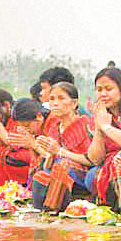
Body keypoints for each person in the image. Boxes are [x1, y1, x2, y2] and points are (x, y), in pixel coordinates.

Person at [85, 67, 121, 209]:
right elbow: (95, 159)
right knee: (92, 176)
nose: (103, 94)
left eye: (109, 89)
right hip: (110, 164)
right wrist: (99, 129)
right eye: (99, 90)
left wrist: (107, 127)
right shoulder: (100, 113)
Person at [31, 83, 94, 211]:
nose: (55, 103)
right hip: (58, 171)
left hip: (83, 174)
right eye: (52, 99)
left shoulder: (86, 124)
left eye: (61, 98)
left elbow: (92, 160)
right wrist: (49, 154)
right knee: (40, 175)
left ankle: (53, 209)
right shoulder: (54, 127)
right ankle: (40, 211)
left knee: (62, 165)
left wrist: (59, 151)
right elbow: (47, 166)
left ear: (74, 103)